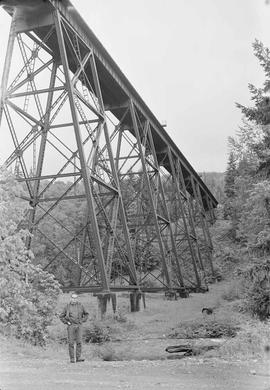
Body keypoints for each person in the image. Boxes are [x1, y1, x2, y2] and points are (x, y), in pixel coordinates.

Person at [60, 292, 89, 363]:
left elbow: (86, 314)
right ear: (70, 298)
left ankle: (78, 358)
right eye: (73, 298)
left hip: (79, 325)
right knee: (71, 343)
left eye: (75, 298)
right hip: (71, 325)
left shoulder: (81, 305)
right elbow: (61, 316)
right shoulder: (67, 306)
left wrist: (82, 320)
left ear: (77, 299)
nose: (74, 299)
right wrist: (67, 322)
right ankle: (72, 359)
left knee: (79, 342)